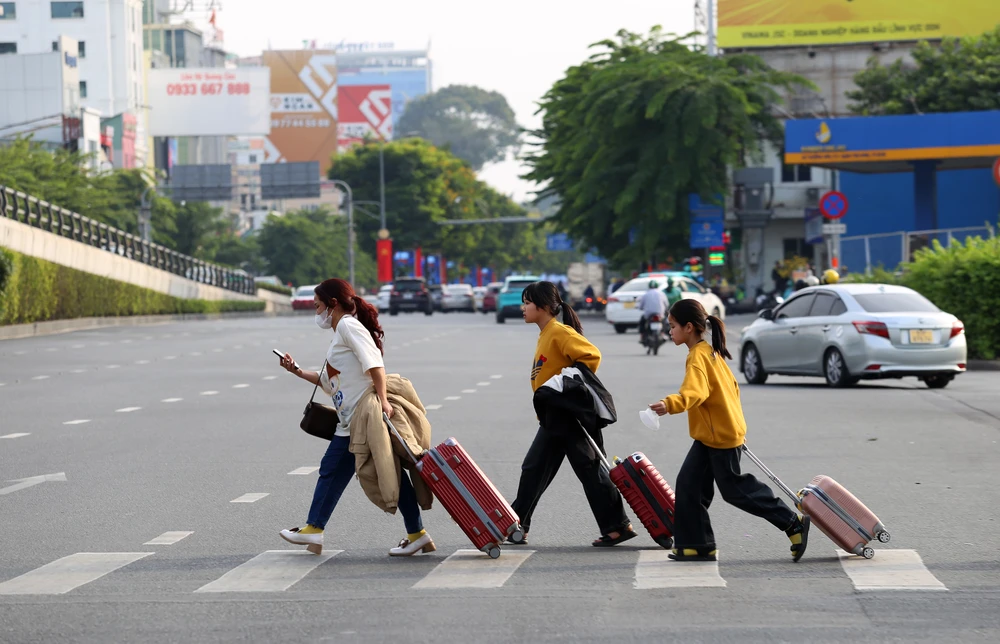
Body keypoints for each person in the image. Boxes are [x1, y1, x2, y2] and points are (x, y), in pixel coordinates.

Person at [276, 278, 435, 557]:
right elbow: (329, 382)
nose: (316, 313)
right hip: (351, 419)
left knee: (331, 470)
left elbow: (374, 362)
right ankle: (417, 534)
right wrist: (297, 371)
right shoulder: (340, 333)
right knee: (385, 473)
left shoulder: (348, 326)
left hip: (363, 418)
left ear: (333, 304)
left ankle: (315, 529)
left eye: (318, 306)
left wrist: (383, 401)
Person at [647, 298, 810, 562]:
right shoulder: (710, 352)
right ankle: (696, 545)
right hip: (714, 434)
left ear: (689, 327)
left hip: (719, 436)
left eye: (673, 326)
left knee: (734, 489)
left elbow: (695, 392)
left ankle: (793, 523)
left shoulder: (699, 357)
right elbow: (732, 390)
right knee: (689, 485)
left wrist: (670, 404)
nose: (669, 331)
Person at [510, 281, 636, 547]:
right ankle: (517, 523)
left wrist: (565, 384)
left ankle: (618, 526)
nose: (523, 308)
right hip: (555, 417)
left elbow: (591, 355)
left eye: (527, 302)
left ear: (543, 307)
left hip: (569, 417)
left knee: (587, 470)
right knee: (535, 470)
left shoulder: (558, 331)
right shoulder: (546, 332)